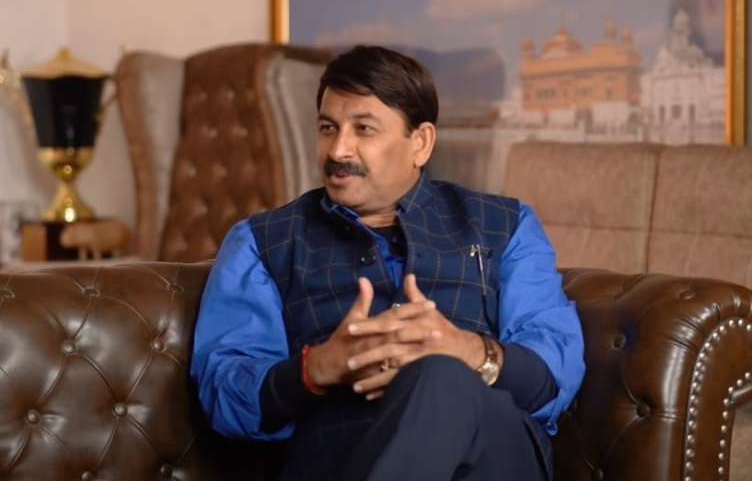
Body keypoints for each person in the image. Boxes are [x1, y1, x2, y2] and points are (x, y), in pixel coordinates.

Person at [190, 45, 585, 481]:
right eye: (328, 128)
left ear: (421, 143)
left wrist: (468, 352)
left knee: (443, 377)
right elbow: (224, 399)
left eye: (364, 129)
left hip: (491, 452)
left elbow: (554, 378)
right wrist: (317, 367)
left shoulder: (506, 226)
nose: (339, 150)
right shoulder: (261, 242)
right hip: (339, 457)